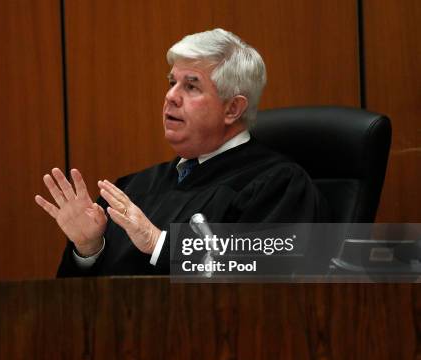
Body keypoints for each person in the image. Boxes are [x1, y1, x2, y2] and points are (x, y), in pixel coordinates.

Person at [35, 28, 329, 277]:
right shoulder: (132, 189)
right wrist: (88, 249)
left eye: (191, 86)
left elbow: (263, 275)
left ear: (232, 108)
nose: (170, 96)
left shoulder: (277, 185)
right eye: (172, 82)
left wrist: (159, 243)